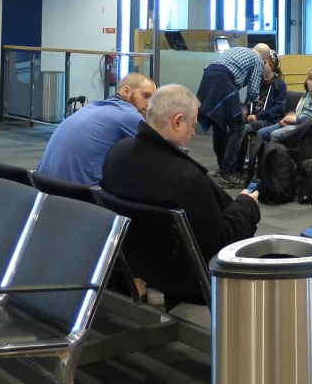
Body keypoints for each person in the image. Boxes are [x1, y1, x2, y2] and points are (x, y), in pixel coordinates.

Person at [101, 84, 259, 264]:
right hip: (185, 275)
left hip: (132, 264)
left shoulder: (116, 152)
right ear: (177, 122)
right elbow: (219, 247)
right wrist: (247, 204)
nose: (193, 133)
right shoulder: (187, 178)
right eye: (192, 126)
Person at [35, 73, 155, 187]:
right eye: (145, 96)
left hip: (42, 187)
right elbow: (154, 157)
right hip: (75, 194)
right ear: (126, 91)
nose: (150, 103)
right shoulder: (129, 114)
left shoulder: (92, 107)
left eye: (153, 99)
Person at [195, 43, 272, 187]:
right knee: (239, 128)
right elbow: (253, 90)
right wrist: (247, 105)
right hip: (223, 82)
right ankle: (227, 173)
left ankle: (222, 168)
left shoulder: (237, 49)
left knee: (219, 127)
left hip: (208, 78)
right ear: (264, 58)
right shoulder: (257, 59)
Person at [257, 64, 312, 144]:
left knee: (275, 134)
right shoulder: (307, 95)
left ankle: (275, 152)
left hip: (304, 126)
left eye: (310, 79)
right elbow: (298, 110)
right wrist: (287, 119)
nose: (307, 82)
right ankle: (264, 152)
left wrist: (297, 119)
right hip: (294, 122)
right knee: (262, 132)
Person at [244, 49, 288, 137]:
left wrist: (258, 116)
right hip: (252, 117)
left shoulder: (279, 84)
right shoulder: (256, 80)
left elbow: (279, 108)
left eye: (264, 63)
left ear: (272, 65)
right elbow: (249, 100)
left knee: (244, 129)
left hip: (268, 120)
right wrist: (245, 108)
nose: (260, 65)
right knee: (232, 125)